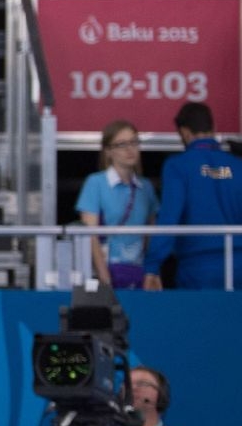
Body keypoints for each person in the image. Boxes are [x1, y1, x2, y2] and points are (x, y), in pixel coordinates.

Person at [144, 103, 242, 291]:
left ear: (185, 132)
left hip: (198, 269)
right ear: (213, 129)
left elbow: (168, 219)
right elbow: (216, 174)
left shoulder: (178, 166)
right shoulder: (237, 166)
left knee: (199, 320)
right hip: (239, 266)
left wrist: (152, 266)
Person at [75, 119, 157, 290]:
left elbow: (151, 237)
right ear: (108, 151)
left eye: (134, 142)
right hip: (107, 274)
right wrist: (105, 279)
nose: (130, 149)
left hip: (139, 274)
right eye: (121, 144)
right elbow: (91, 236)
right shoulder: (95, 183)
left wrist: (152, 272)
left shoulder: (146, 187)